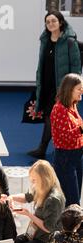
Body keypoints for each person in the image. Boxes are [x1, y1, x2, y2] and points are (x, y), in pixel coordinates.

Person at [28, 11, 81, 159]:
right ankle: (64, 148)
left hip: (62, 87)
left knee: (54, 117)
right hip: (46, 85)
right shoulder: (45, 40)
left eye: (54, 21)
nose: (51, 24)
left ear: (61, 22)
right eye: (48, 22)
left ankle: (44, 148)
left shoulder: (70, 41)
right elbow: (42, 64)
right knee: (51, 116)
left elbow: (76, 66)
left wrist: (73, 87)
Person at [9, 160, 65, 243]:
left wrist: (29, 214)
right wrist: (11, 197)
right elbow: (27, 197)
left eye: (34, 180)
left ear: (44, 178)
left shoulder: (53, 199)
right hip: (34, 235)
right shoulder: (42, 188)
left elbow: (48, 228)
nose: (32, 184)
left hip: (45, 242)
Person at [50, 73, 83, 206]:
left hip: (77, 156)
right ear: (70, 90)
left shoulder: (73, 105)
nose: (82, 91)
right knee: (72, 200)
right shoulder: (59, 109)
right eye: (79, 89)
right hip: (66, 158)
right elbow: (68, 136)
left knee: (75, 198)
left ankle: (74, 224)